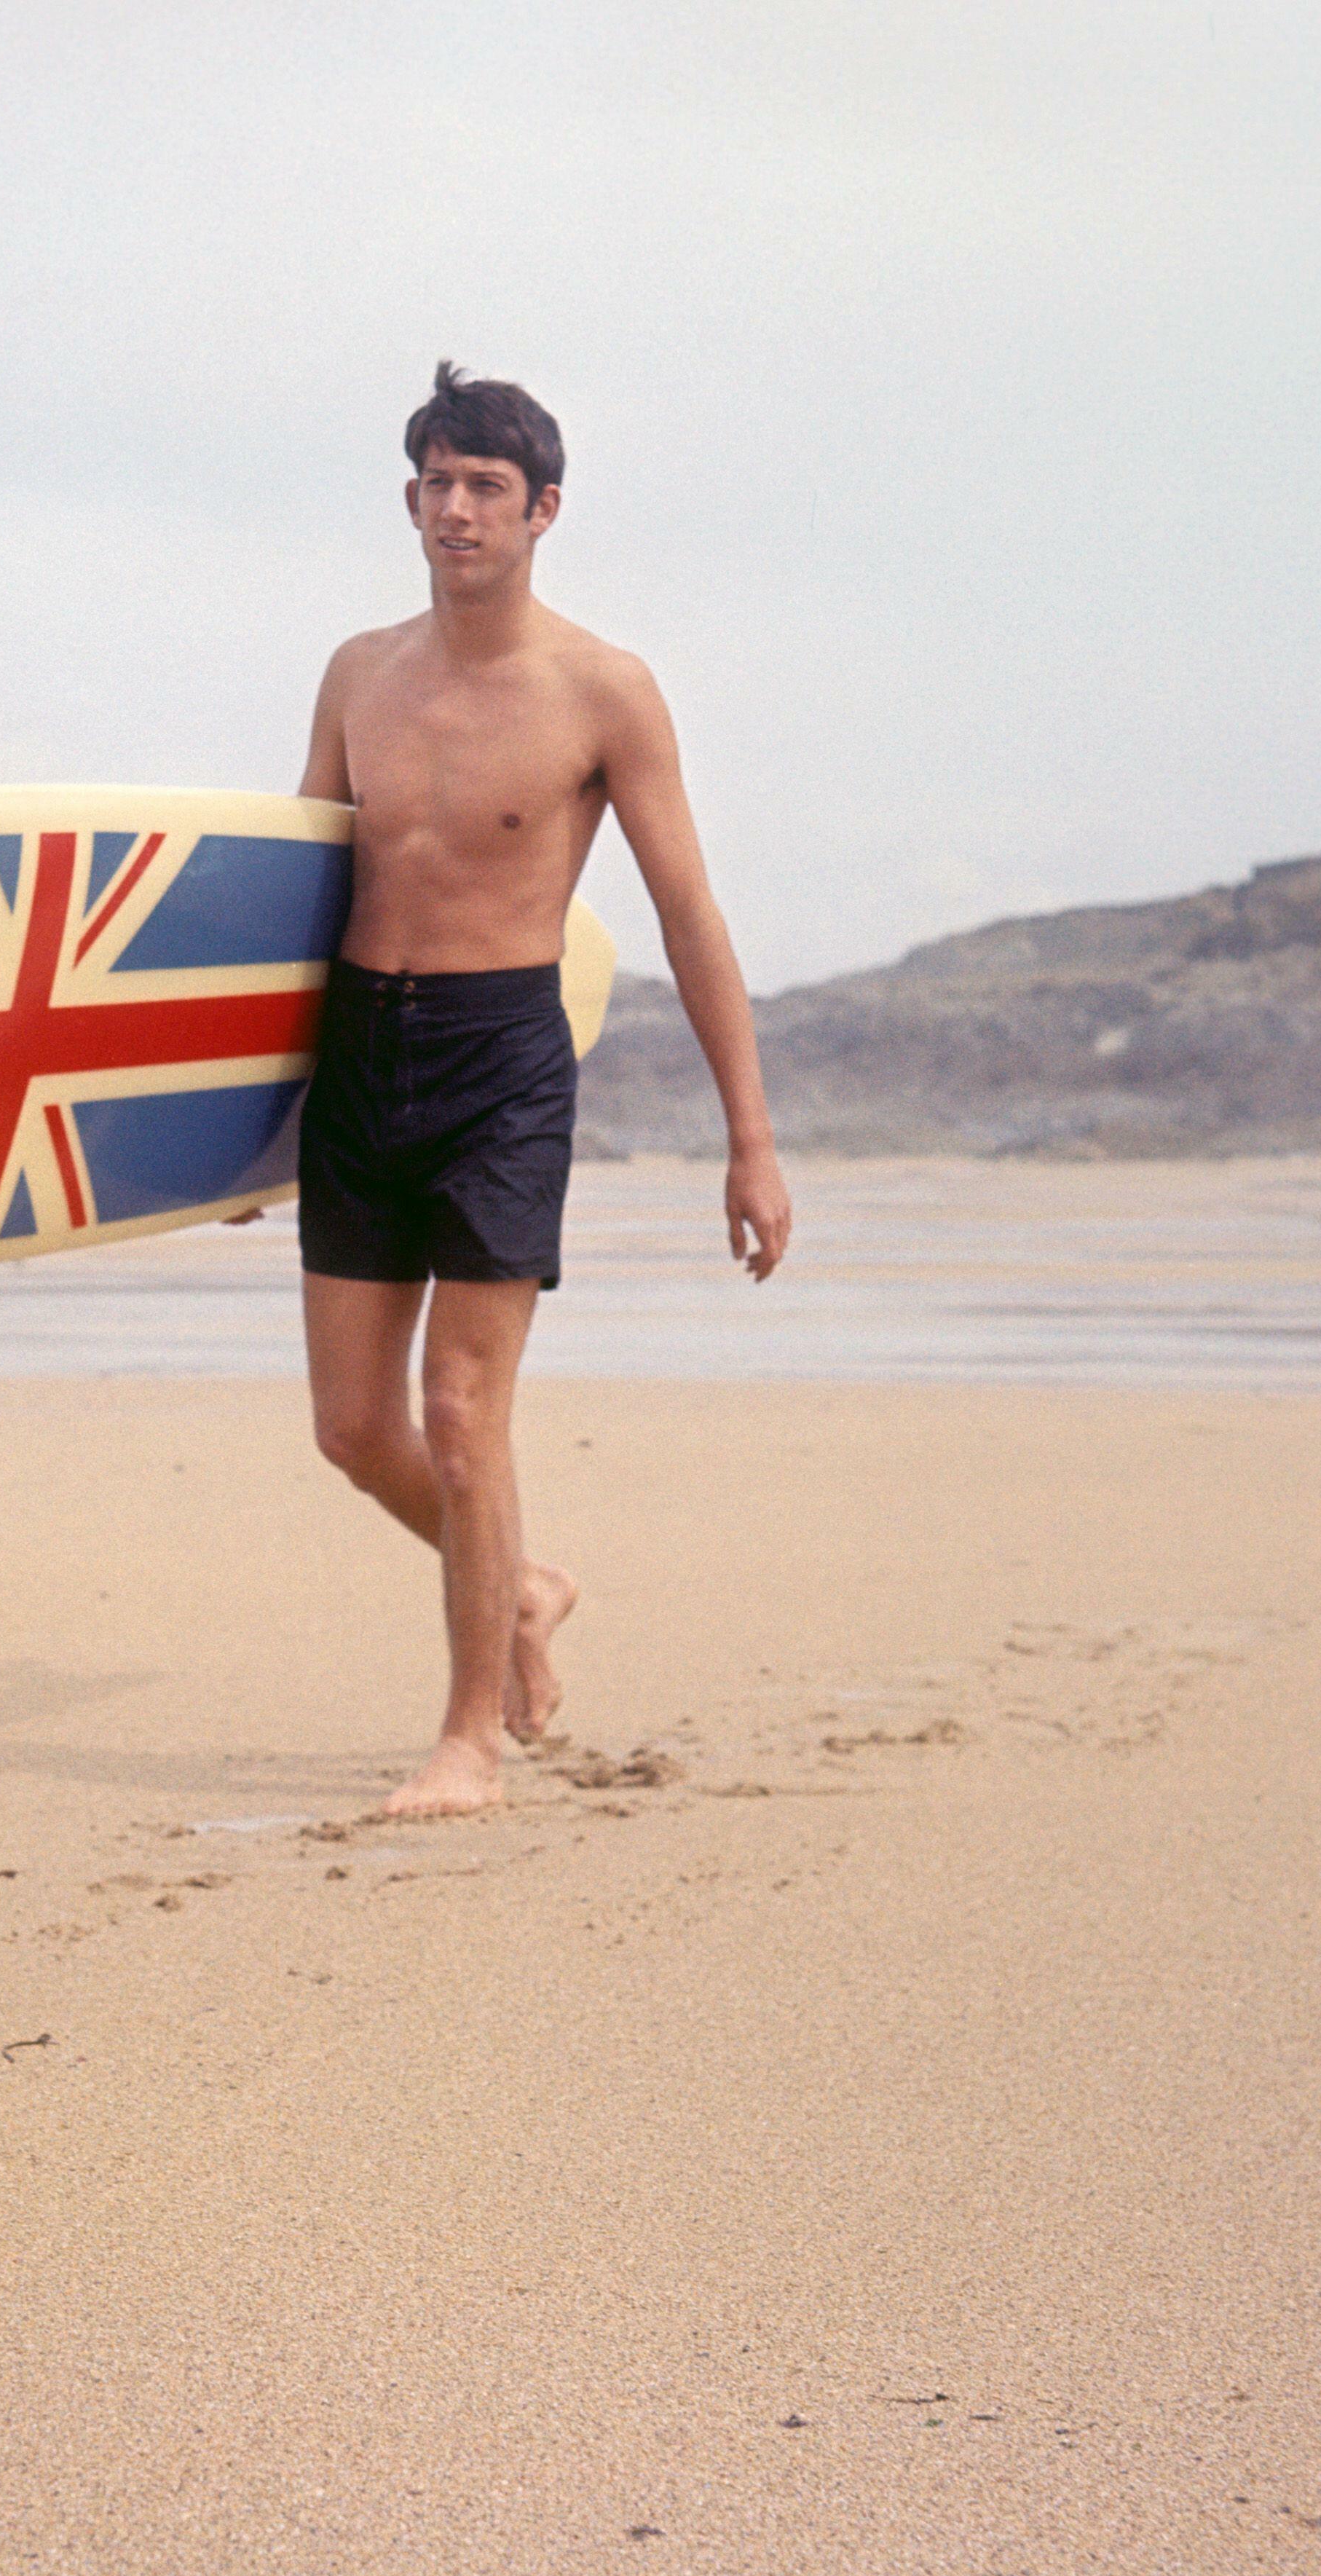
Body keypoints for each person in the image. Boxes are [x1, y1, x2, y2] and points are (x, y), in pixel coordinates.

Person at [293, 361, 792, 1817]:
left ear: (541, 510)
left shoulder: (601, 692)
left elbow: (689, 916)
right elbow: (298, 898)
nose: (455, 510)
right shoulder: (354, 674)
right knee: (350, 1428)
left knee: (460, 1412)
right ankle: (519, 1588)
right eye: (435, 483)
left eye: (485, 488)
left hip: (500, 1056)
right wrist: (234, 1128)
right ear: (409, 498)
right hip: (354, 1049)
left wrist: (748, 1145)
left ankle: (468, 1740)